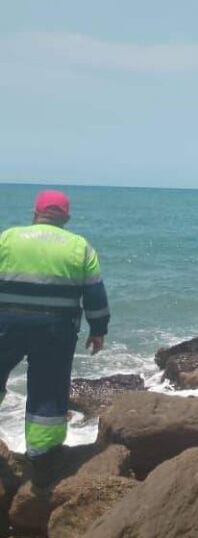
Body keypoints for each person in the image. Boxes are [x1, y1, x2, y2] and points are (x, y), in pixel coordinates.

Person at [0, 190, 109, 476]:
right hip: (55, 330)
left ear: (35, 213)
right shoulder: (79, 247)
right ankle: (41, 455)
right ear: (66, 218)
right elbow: (94, 294)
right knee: (47, 390)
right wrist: (98, 330)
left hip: (6, 324)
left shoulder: (8, 238)